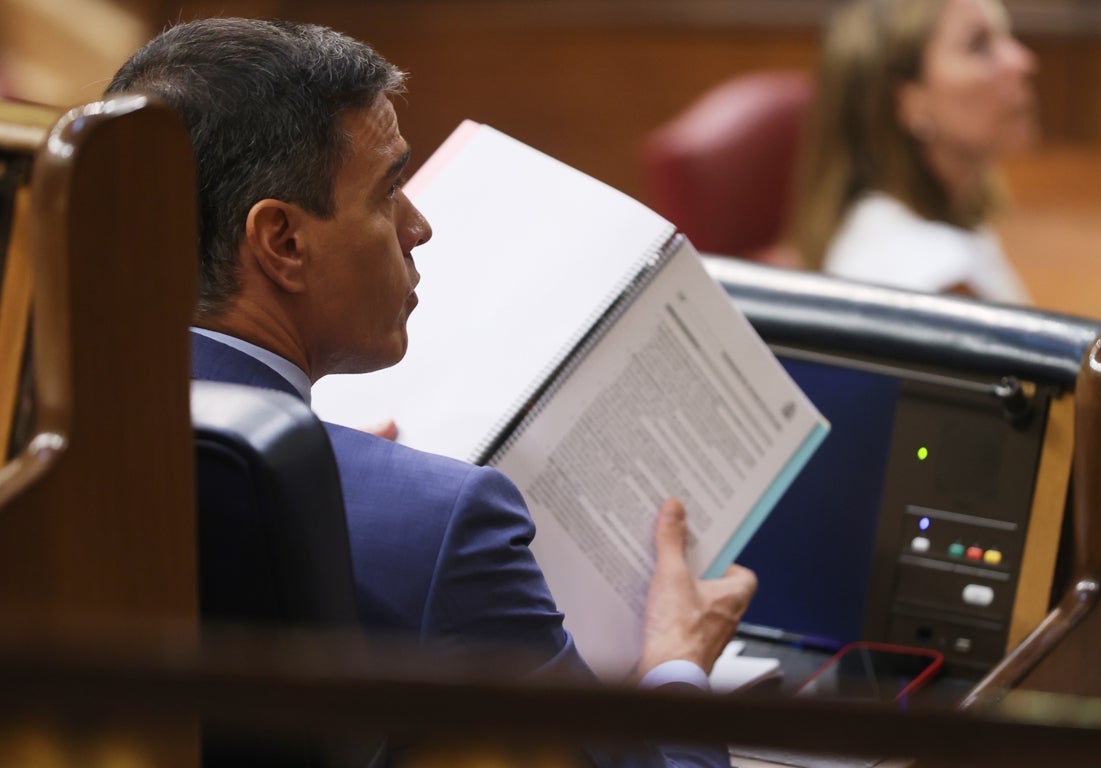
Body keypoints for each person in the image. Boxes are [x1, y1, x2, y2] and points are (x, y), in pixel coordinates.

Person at [106, 18, 755, 767]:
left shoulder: (37, 447)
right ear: (283, 242)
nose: (418, 226)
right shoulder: (443, 523)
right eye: (388, 191)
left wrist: (336, 478)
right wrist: (676, 663)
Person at [787, 0, 1038, 302]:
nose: (1022, 61)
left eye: (1005, 36)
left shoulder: (945, 216)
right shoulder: (935, 282)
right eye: (979, 46)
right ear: (909, 101)